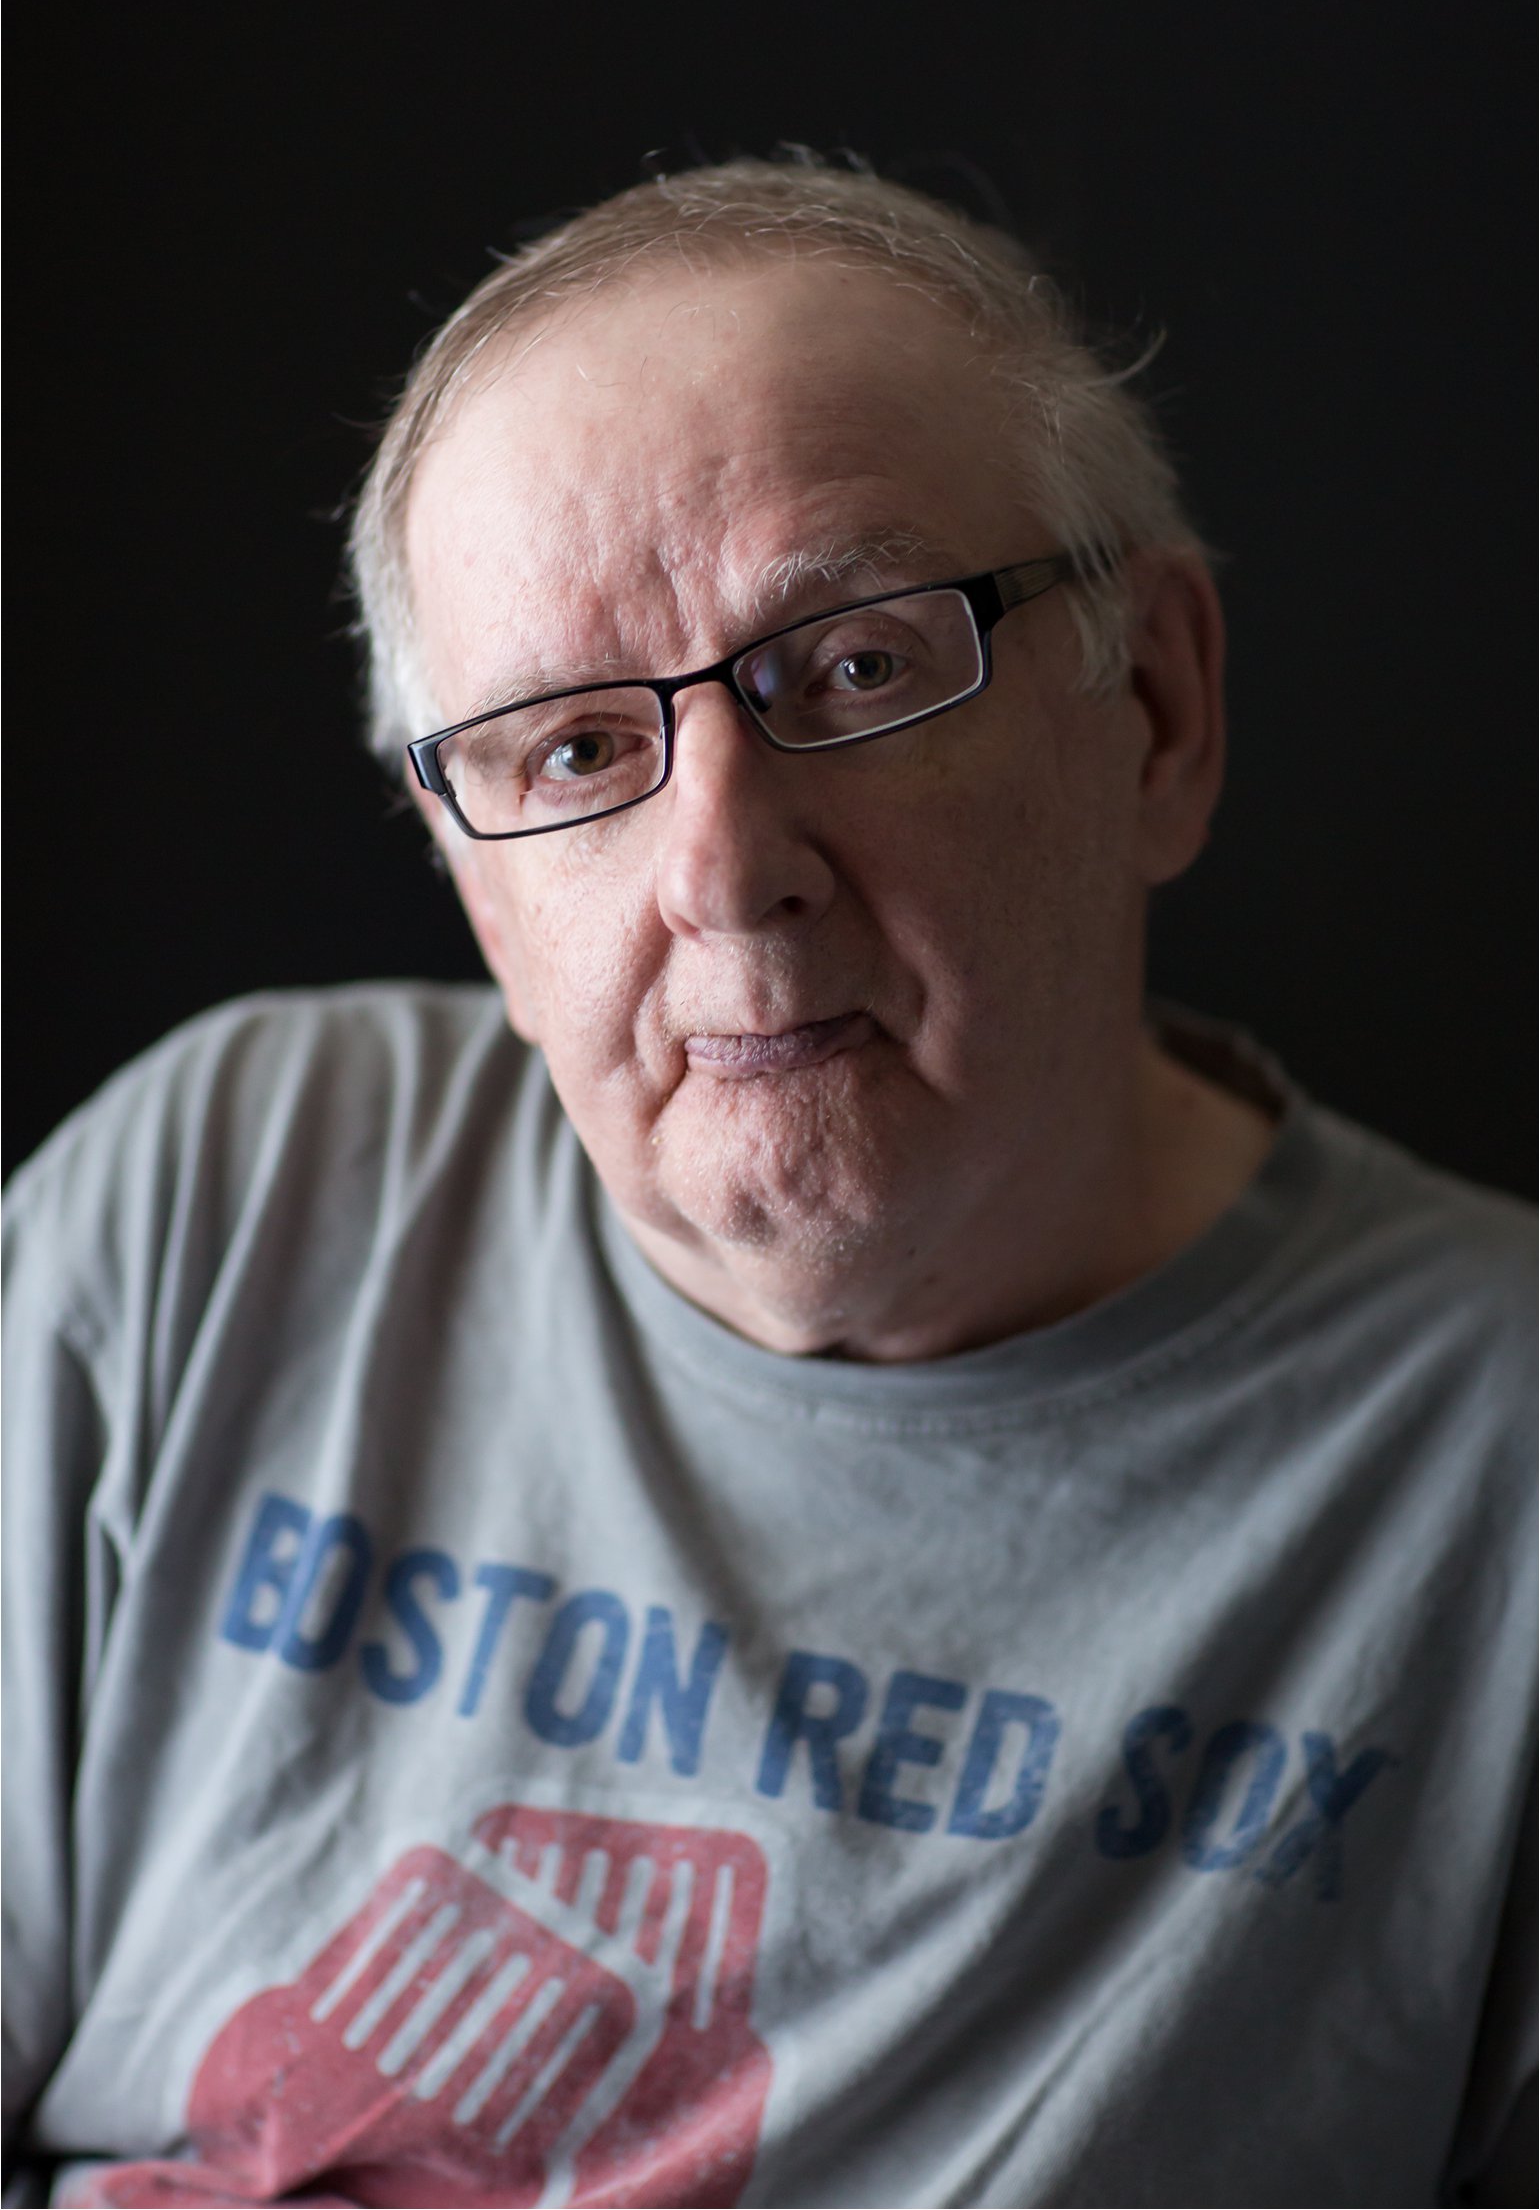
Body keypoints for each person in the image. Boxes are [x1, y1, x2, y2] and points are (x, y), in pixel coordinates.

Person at [3, 160, 1532, 2210]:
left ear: (1155, 710)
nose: (722, 869)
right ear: (464, 866)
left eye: (856, 667)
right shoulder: (222, 1198)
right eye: (563, 754)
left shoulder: (1490, 1476)